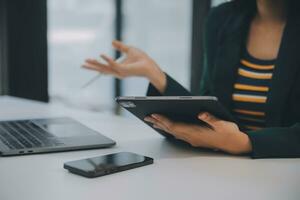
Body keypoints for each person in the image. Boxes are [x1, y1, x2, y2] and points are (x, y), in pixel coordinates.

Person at [82, 0, 300, 158]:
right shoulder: (222, 19)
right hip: (225, 170)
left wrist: (244, 143)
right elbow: (211, 108)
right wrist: (156, 75)